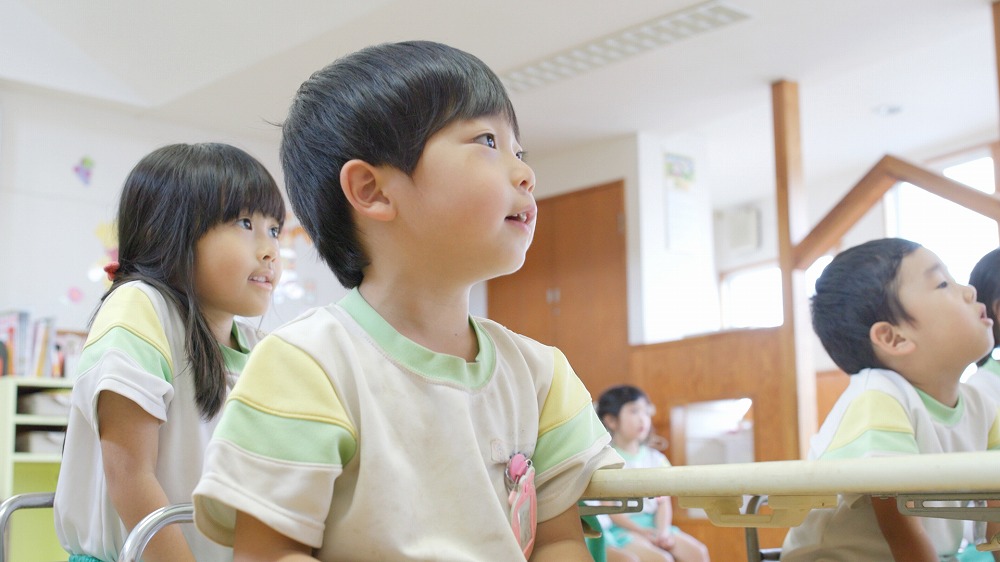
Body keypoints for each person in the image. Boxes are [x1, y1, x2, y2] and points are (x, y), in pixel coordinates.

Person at [192, 40, 622, 561]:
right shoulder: (305, 366)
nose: (525, 173)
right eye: (487, 141)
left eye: (520, 152)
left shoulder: (541, 376)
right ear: (372, 190)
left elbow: (559, 543)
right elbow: (269, 554)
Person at [53, 143, 285, 562]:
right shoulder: (140, 307)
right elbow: (129, 474)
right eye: (245, 222)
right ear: (173, 231)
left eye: (274, 230)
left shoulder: (256, 343)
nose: (269, 250)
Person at [781, 238, 1000, 562]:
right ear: (893, 338)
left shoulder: (983, 407)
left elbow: (995, 516)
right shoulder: (880, 397)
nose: (969, 291)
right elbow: (901, 531)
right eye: (943, 284)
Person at [595, 385, 710, 562]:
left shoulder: (656, 459)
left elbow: (663, 503)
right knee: (661, 559)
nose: (643, 419)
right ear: (611, 420)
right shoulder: (607, 460)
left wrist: (663, 531)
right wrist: (641, 532)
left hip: (656, 525)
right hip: (623, 530)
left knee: (698, 553)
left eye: (646, 412)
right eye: (634, 411)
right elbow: (610, 510)